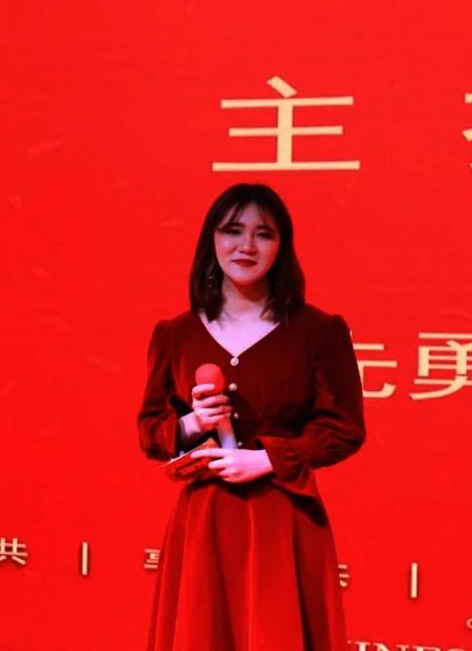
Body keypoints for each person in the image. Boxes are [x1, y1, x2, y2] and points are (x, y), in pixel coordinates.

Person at [138, 183, 365, 651]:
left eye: (264, 234)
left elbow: (345, 427)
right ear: (212, 240)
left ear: (282, 246)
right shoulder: (176, 333)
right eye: (232, 231)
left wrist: (267, 459)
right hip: (203, 522)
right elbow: (150, 431)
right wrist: (194, 423)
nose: (246, 246)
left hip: (284, 517)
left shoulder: (318, 331)